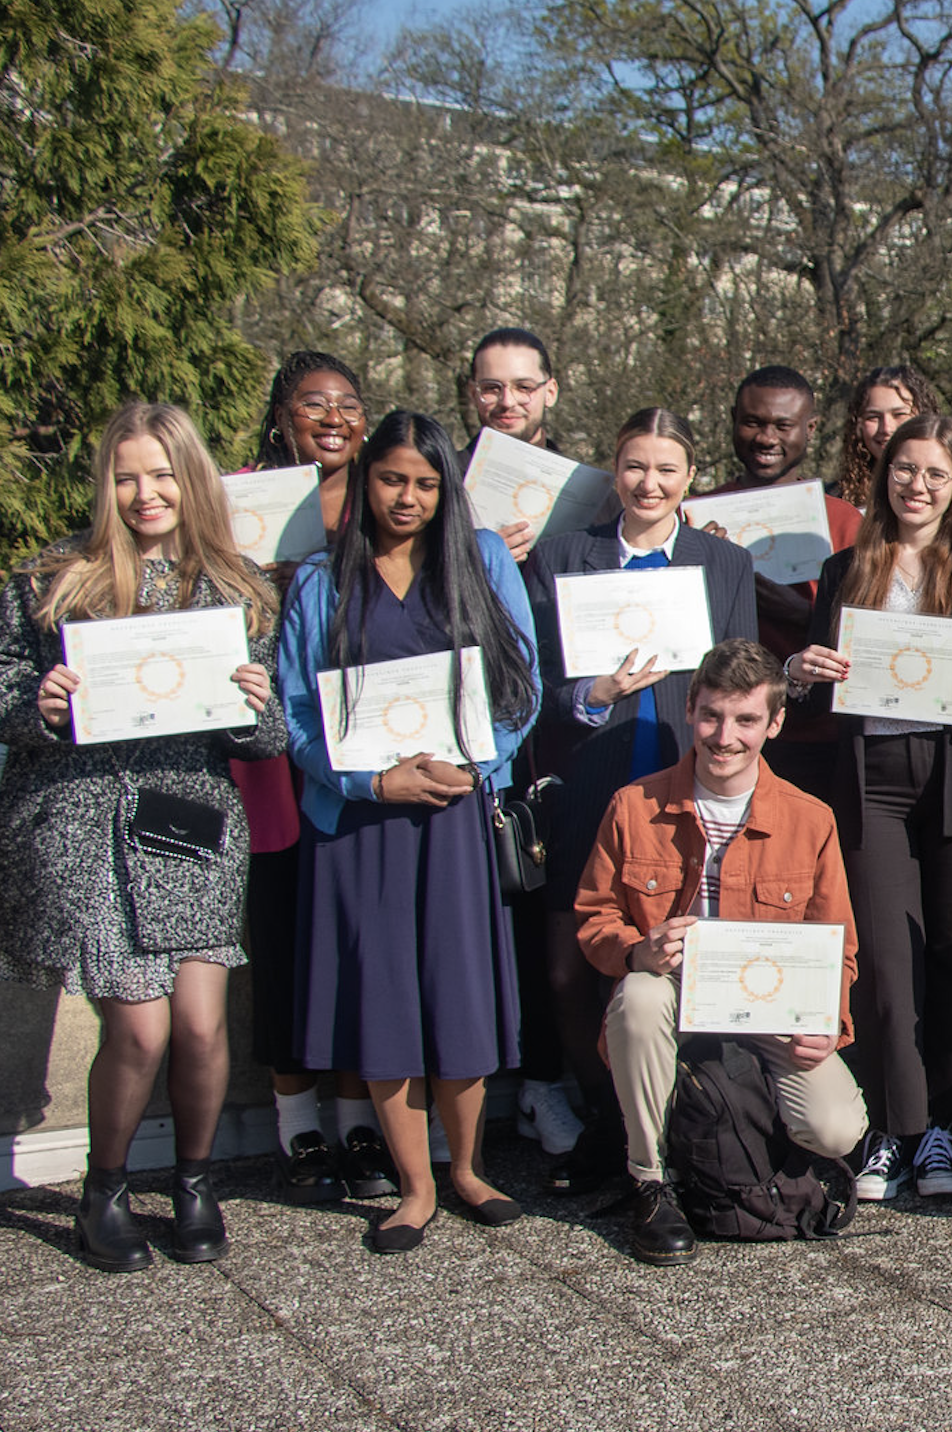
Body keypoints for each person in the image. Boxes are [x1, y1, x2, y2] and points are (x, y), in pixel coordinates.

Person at [0, 402, 287, 1271]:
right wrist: (37, 704)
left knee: (201, 1027)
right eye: (127, 476)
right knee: (139, 1031)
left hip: (187, 826)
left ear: (193, 479)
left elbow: (273, 731)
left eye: (164, 474)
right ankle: (103, 1189)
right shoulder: (52, 578)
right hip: (87, 826)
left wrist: (257, 707)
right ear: (106, 484)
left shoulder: (239, 585)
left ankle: (192, 1180)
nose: (147, 493)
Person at [280, 409, 542, 1254]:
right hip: (361, 825)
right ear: (366, 481)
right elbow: (290, 714)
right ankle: (415, 1186)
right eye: (392, 479)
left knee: (458, 992)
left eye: (427, 484)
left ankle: (465, 1169)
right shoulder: (321, 582)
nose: (408, 497)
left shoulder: (485, 561)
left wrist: (481, 763)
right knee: (385, 997)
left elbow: (521, 688)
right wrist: (370, 779)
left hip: (456, 817)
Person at [786, 414, 952, 1200]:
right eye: (905, 468)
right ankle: (897, 1129)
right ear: (881, 473)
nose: (918, 485)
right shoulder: (842, 570)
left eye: (937, 473)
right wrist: (798, 669)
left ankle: (951, 1131)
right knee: (888, 964)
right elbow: (801, 689)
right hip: (872, 775)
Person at [572, 640, 869, 1265]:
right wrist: (636, 950)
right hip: (672, 998)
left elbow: (837, 944)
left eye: (745, 720)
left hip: (768, 1009)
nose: (724, 736)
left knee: (837, 1127)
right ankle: (650, 1182)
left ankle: (739, 1143)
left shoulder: (810, 819)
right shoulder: (635, 806)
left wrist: (828, 1025)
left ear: (775, 722)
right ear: (689, 709)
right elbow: (594, 919)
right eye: (711, 716)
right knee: (640, 994)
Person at [520, 408, 757, 1191]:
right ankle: (605, 1122)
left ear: (690, 477)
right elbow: (524, 688)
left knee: (675, 956)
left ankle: (678, 1126)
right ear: (611, 471)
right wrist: (591, 692)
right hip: (588, 780)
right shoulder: (562, 557)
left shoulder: (721, 563)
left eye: (666, 469)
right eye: (634, 466)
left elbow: (744, 673)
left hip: (686, 789)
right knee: (569, 967)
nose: (649, 483)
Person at [235, 351, 395, 1203]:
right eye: (312, 404)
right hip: (272, 749)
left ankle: (359, 1121)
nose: (331, 417)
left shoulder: (384, 498)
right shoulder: (238, 501)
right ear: (281, 415)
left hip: (364, 744)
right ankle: (296, 1125)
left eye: (346, 403)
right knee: (286, 936)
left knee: (351, 941)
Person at [699, 367, 868, 806]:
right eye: (753, 422)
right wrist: (710, 569)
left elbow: (861, 640)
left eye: (782, 425)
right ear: (733, 418)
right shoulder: (695, 517)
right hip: (721, 734)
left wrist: (789, 609)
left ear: (810, 429)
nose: (765, 437)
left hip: (818, 736)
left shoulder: (844, 521)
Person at [464, 326, 565, 562]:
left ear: (550, 393)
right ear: (472, 393)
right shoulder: (439, 484)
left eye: (524, 388)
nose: (507, 402)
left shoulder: (593, 497)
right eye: (491, 388)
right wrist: (476, 559)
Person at [833, 365, 942, 512]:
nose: (886, 428)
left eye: (899, 415)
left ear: (924, 419)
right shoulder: (834, 502)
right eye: (873, 417)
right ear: (858, 425)